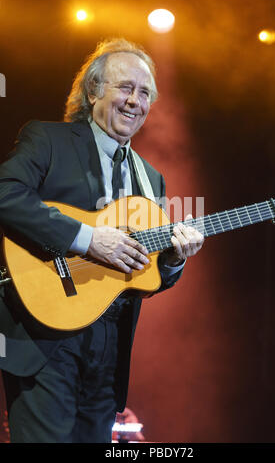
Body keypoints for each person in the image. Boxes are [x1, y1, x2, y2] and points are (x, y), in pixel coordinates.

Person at [0, 38, 204, 443]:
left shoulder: (153, 177)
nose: (135, 101)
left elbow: (144, 275)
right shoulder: (49, 140)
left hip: (109, 349)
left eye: (145, 93)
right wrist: (86, 239)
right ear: (93, 91)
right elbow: (6, 193)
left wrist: (174, 261)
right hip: (46, 335)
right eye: (125, 87)